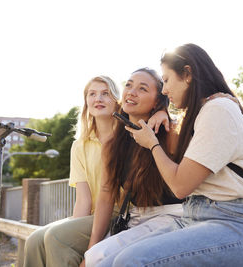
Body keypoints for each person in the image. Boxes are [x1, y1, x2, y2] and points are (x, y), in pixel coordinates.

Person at [95, 44, 243, 266]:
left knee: (130, 261)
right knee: (104, 262)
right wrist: (160, 111)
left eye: (166, 80)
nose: (165, 90)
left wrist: (153, 145)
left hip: (232, 223)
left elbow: (180, 186)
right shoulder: (204, 112)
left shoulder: (219, 109)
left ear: (187, 74)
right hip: (195, 218)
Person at [23, 75, 169, 267]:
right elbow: (83, 199)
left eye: (105, 94)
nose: (98, 99)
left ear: (117, 100)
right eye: (92, 94)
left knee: (56, 237)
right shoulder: (80, 145)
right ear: (86, 102)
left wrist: (163, 111)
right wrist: (74, 228)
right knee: (34, 240)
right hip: (94, 214)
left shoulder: (128, 135)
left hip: (122, 212)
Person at [83, 68, 183, 267]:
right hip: (136, 217)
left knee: (105, 258)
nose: (131, 92)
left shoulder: (170, 132)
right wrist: (90, 249)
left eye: (142, 89)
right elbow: (105, 194)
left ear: (157, 100)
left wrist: (164, 113)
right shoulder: (114, 143)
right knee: (95, 256)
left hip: (173, 216)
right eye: (128, 85)